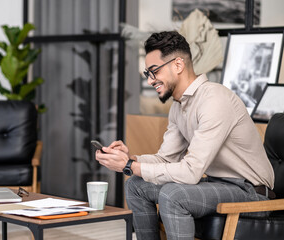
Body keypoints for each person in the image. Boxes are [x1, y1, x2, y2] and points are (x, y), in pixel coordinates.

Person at [95, 31, 274, 240]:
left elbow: (190, 172)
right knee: (136, 185)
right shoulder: (179, 107)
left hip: (250, 192)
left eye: (154, 71)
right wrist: (130, 160)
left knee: (173, 195)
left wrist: (129, 166)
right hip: (218, 184)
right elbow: (166, 158)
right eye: (147, 74)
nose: (151, 80)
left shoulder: (214, 99)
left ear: (178, 65)